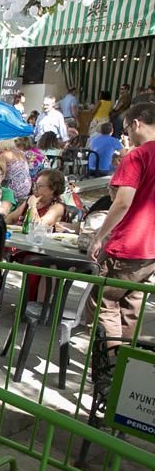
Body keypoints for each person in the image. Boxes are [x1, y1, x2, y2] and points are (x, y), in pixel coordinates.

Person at [86, 103, 155, 352]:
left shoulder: (137, 156)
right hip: (150, 250)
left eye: (126, 130)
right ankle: (123, 369)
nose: (126, 136)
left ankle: (110, 366)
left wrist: (99, 236)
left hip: (128, 244)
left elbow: (122, 201)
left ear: (137, 123)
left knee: (104, 303)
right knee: (132, 307)